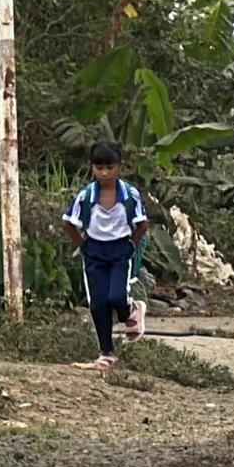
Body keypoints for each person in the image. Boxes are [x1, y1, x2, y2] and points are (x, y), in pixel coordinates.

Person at [61, 141, 149, 371]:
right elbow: (67, 223)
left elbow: (142, 224)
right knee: (99, 303)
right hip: (94, 252)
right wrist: (84, 245)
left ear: (119, 166)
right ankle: (106, 352)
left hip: (120, 251)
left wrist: (131, 246)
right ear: (92, 167)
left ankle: (131, 309)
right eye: (99, 167)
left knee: (116, 297)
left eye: (110, 167)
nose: (104, 173)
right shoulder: (86, 196)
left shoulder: (129, 195)